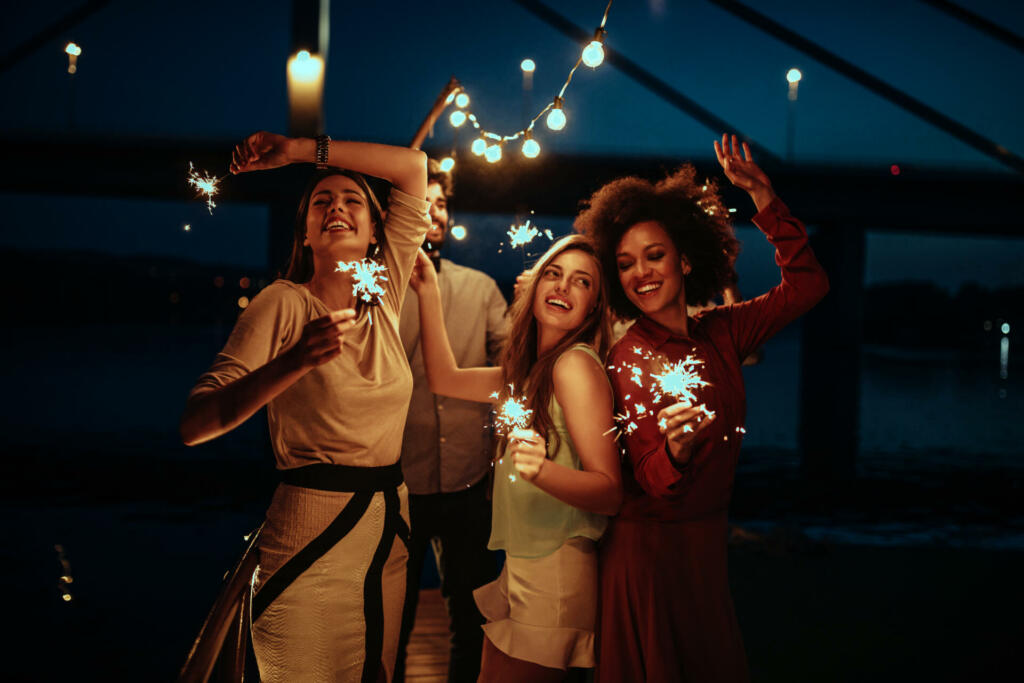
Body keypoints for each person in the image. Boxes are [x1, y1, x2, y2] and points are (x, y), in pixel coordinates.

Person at [575, 134, 829, 683]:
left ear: (686, 260)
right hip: (649, 556)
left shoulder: (723, 330)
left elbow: (808, 286)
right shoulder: (628, 357)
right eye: (625, 264)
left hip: (704, 547)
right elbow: (647, 478)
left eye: (655, 255)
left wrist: (765, 199)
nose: (641, 272)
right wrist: (675, 451)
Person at [180, 131, 429, 682]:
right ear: (308, 234)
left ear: (374, 234)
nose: (336, 206)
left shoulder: (384, 297)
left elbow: (413, 167)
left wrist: (296, 152)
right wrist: (293, 361)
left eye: (352, 201)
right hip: (309, 535)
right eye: (321, 202)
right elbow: (196, 424)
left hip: (390, 531)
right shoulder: (283, 302)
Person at [409, 234, 622, 681]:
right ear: (535, 285)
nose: (563, 287)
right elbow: (444, 377)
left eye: (581, 282)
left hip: (555, 574)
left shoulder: (574, 366)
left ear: (593, 307)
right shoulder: (525, 374)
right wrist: (428, 287)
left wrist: (541, 470)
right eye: (554, 273)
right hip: (526, 566)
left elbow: (609, 492)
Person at [394, 160, 508, 683]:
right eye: (424, 203)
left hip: (470, 480)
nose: (436, 213)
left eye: (441, 204)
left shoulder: (482, 287)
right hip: (398, 483)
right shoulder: (379, 293)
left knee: (471, 614)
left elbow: (514, 366)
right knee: (394, 616)